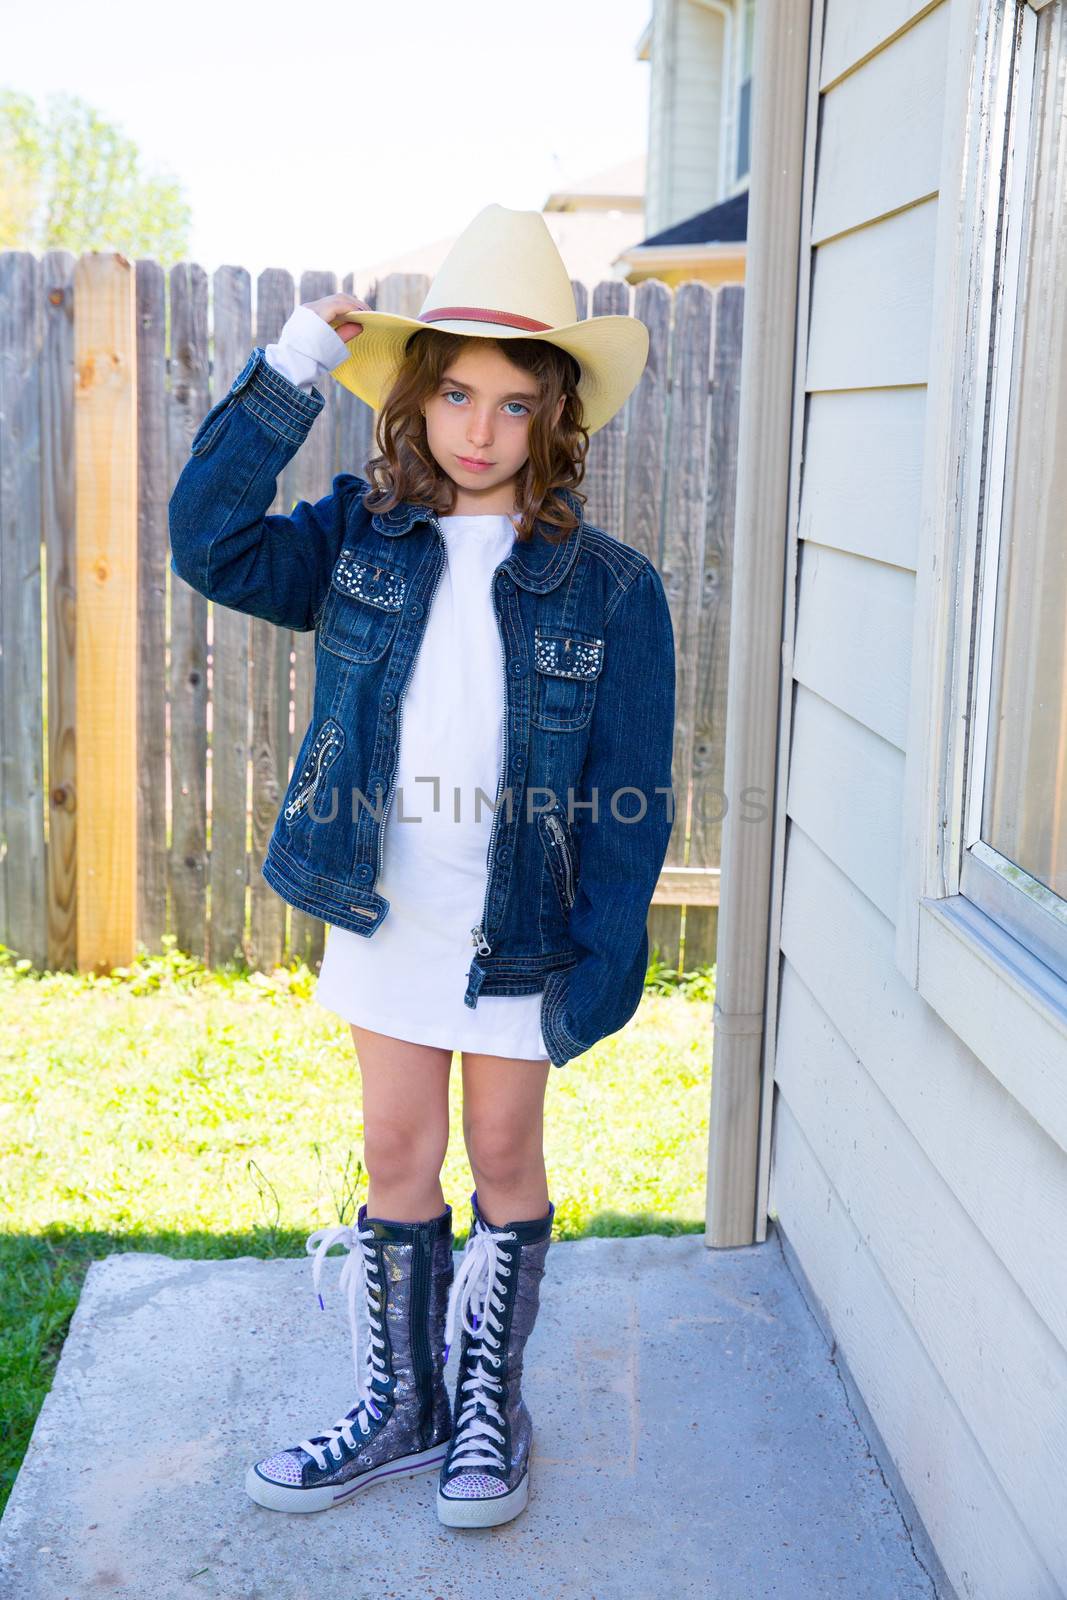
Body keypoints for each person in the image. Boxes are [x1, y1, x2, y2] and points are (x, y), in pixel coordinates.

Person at [167, 203, 676, 1530]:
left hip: (521, 924)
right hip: (387, 913)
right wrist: (285, 372)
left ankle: (488, 1408)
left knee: (503, 1150)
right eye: (456, 391)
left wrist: (602, 963)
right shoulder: (355, 542)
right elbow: (208, 543)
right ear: (416, 396)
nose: (480, 428)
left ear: (553, 420)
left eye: (513, 404)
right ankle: (406, 1408)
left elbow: (633, 808)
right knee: (398, 1148)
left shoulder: (609, 589)